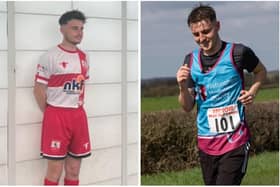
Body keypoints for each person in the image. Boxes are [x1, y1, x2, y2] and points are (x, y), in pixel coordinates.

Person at [176, 4, 267, 185]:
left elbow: (261, 71)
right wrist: (181, 86)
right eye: (196, 34)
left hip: (235, 142)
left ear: (217, 26)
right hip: (206, 144)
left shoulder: (238, 53)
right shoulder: (190, 61)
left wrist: (252, 92)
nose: (202, 38)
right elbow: (187, 106)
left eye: (206, 31)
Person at [33, 10, 91, 185]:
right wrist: (52, 112)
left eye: (81, 28)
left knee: (73, 170)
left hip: (78, 116)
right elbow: (38, 90)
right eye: (74, 28)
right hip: (57, 116)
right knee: (54, 171)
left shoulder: (84, 57)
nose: (79, 32)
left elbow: (81, 86)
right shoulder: (49, 56)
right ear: (62, 29)